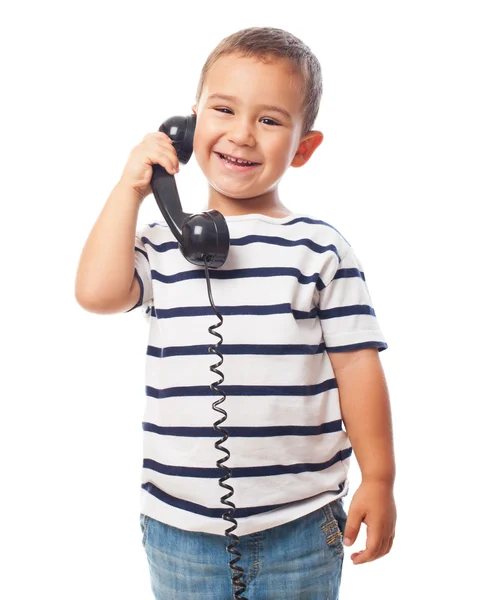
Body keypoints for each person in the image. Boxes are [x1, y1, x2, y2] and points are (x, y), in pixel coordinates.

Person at [75, 26, 396, 600]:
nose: (242, 134)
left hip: (299, 524)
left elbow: (357, 367)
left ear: (303, 147)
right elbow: (97, 295)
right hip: (180, 529)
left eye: (270, 120)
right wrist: (131, 189)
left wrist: (379, 478)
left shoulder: (319, 249)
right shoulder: (160, 242)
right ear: (189, 126)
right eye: (224, 110)